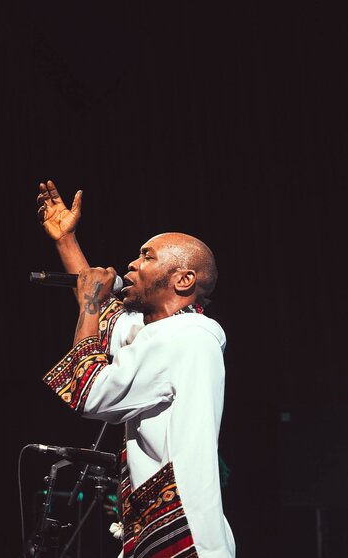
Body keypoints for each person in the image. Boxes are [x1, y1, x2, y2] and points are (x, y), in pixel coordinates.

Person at [35, 180, 236, 557]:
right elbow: (107, 318)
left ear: (184, 279)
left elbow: (91, 392)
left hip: (185, 537)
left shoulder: (188, 336)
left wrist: (89, 305)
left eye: (147, 256)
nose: (131, 264)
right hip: (161, 530)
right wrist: (66, 242)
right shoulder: (162, 334)